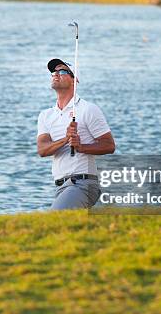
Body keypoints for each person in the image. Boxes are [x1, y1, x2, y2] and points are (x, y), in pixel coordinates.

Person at [37, 59, 116, 211]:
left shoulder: (88, 109)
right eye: (54, 72)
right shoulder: (45, 115)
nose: (56, 74)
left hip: (82, 184)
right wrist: (65, 139)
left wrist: (81, 147)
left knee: (53, 219)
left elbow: (109, 145)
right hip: (60, 186)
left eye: (62, 71)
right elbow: (42, 150)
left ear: (75, 80)